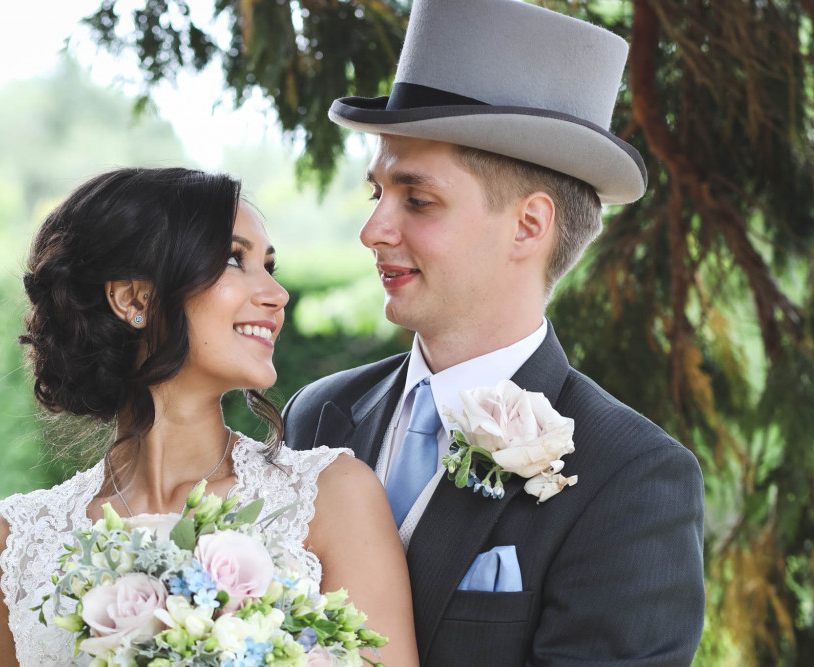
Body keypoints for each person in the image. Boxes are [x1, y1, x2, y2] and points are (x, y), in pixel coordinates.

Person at [283, 1, 705, 665]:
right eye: (377, 194)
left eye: (417, 199)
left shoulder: (631, 479)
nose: (373, 230)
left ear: (529, 226)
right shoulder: (316, 415)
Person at [0, 167, 419, 666]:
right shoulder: (11, 548)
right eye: (233, 259)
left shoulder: (332, 498)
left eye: (270, 266)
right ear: (132, 298)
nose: (277, 294)